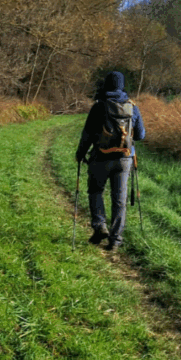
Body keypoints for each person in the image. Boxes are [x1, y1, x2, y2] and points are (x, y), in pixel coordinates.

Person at [75, 71, 145, 251]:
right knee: (119, 199)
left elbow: (87, 134)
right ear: (121, 85)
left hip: (101, 157)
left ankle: (100, 226)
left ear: (106, 84)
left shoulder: (99, 106)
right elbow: (141, 135)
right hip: (124, 159)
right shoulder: (132, 106)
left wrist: (80, 154)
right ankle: (115, 240)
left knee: (95, 191)